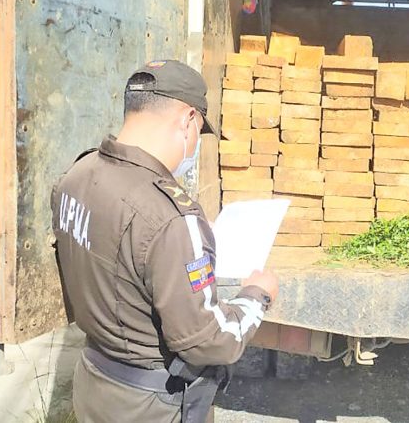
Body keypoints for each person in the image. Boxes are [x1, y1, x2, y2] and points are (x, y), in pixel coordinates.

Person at [51, 60, 279, 423]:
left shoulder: (77, 175)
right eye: (199, 131)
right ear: (188, 119)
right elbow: (209, 341)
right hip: (149, 404)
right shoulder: (171, 216)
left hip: (94, 381)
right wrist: (256, 295)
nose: (193, 147)